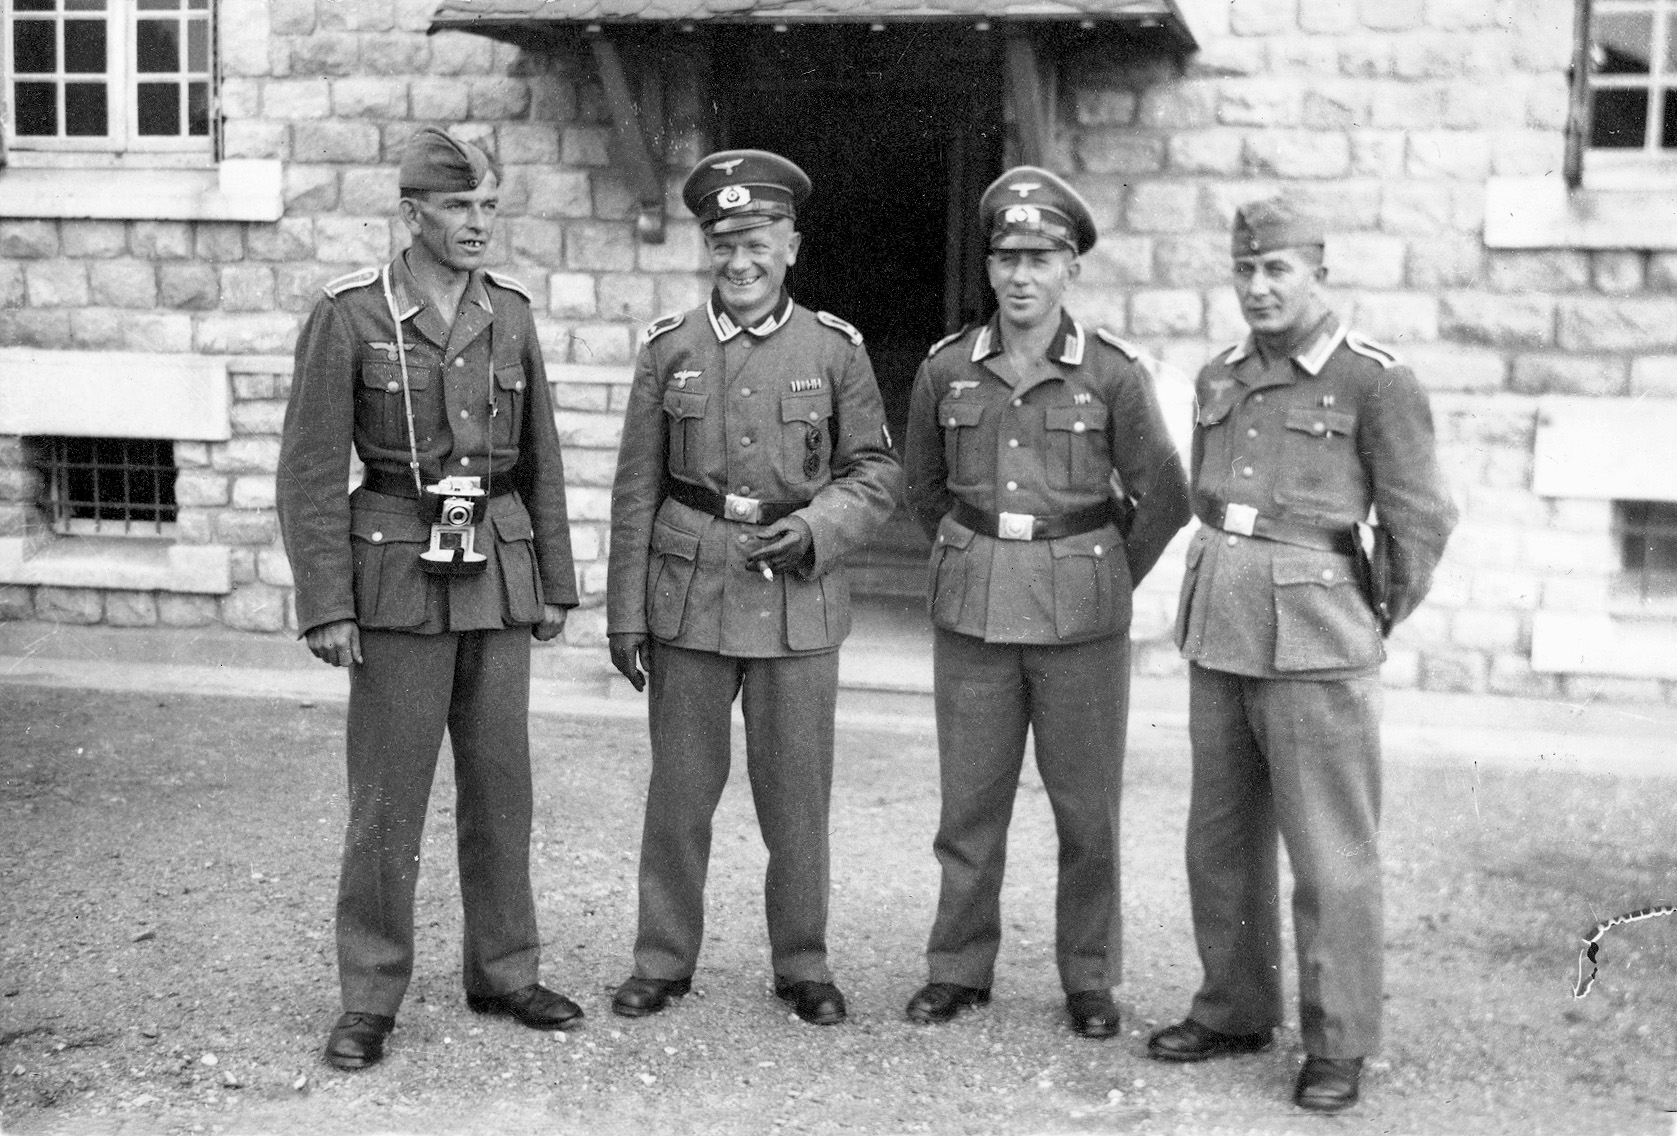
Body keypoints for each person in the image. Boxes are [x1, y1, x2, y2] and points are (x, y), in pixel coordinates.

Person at [277, 127, 582, 1072]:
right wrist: (327, 602)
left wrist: (557, 585)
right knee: (387, 798)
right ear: (413, 215)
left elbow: (542, 464)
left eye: (490, 206)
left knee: (502, 790)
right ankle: (370, 995)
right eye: (459, 208)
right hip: (396, 577)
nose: (479, 224)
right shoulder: (352, 314)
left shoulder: (512, 315)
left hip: (496, 570)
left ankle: (503, 970)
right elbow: (312, 469)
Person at [1147, 197, 1457, 1112]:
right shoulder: (1221, 373)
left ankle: (1338, 1040)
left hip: (1317, 636)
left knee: (1329, 854)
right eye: (1245, 270)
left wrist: (1367, 617)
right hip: (1221, 622)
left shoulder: (1373, 382)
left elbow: (1419, 518)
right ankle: (1234, 1005)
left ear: (1317, 271)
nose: (1258, 287)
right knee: (1220, 839)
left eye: (1277, 269)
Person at [604, 149, 901, 1026]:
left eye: (758, 243)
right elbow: (635, 489)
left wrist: (815, 528)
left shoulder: (833, 350)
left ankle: (802, 963)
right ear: (707, 246)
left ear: (792, 247)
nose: (740, 262)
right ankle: (661, 959)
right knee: (679, 795)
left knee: (796, 798)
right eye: (723, 242)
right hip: (689, 595)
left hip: (797, 601)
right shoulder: (670, 350)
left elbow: (875, 473)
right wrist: (626, 612)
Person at [901, 167, 1191, 1038]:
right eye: (1006, 257)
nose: (1021, 275)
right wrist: (970, 556)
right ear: (987, 268)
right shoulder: (947, 369)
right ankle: (957, 968)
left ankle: (1089, 979)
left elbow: (1165, 495)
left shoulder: (1112, 375)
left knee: (1086, 812)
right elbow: (922, 488)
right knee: (968, 811)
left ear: (1071, 269)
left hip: (1080, 621)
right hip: (976, 611)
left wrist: (1100, 574)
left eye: (1041, 257)